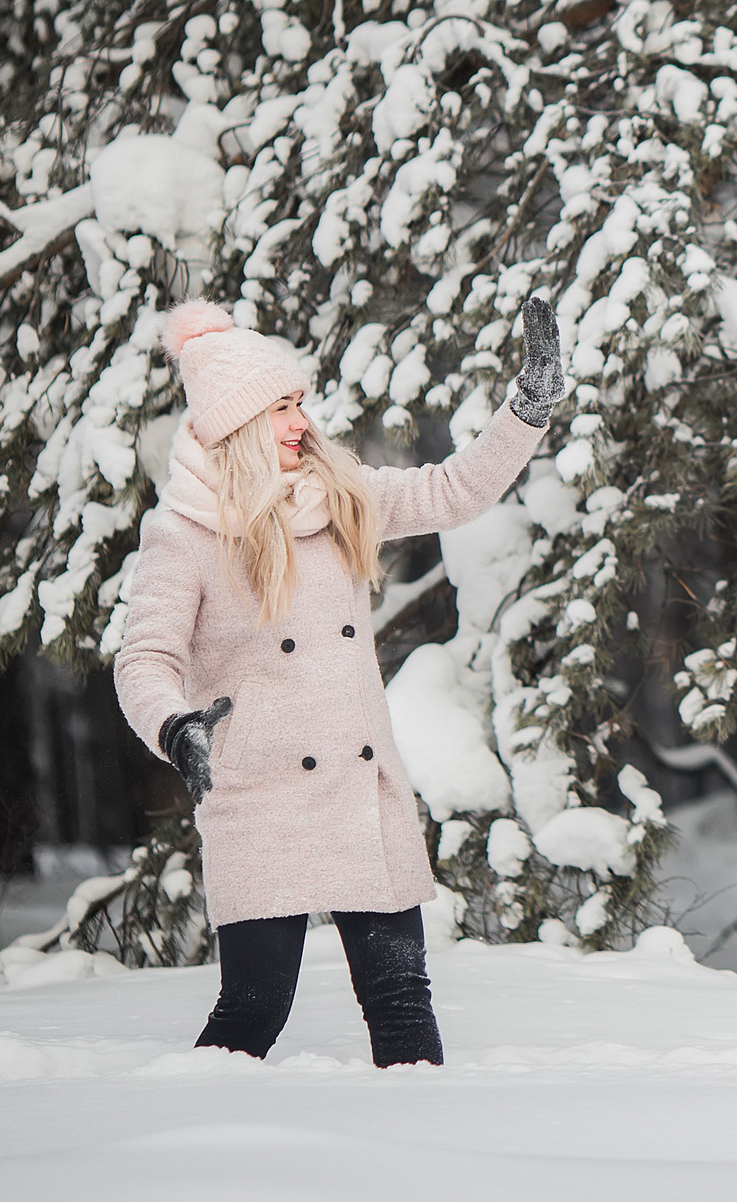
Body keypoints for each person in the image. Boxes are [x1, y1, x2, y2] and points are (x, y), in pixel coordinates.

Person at [115, 295, 568, 1066]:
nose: (301, 421)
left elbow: (454, 489)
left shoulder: (338, 493)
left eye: (299, 402)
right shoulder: (183, 533)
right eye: (281, 408)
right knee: (254, 1008)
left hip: (364, 790)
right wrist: (174, 725)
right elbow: (144, 658)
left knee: (401, 1003)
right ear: (235, 426)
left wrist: (526, 408)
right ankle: (187, 1160)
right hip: (259, 796)